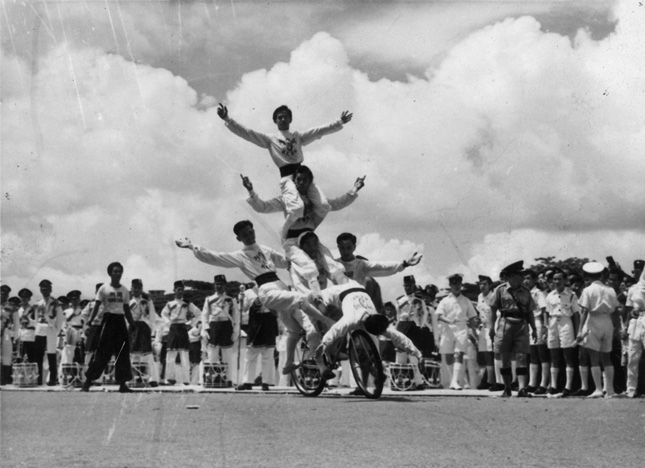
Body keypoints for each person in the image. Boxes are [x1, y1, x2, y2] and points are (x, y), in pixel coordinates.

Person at [175, 220, 333, 375]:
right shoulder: (241, 255)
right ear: (239, 238)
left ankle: (315, 366)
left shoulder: (265, 249)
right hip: (267, 291)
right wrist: (191, 246)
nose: (249, 236)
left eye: (251, 232)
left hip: (281, 286)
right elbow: (215, 257)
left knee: (304, 328)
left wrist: (305, 257)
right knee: (300, 300)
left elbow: (286, 263)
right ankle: (327, 321)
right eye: (245, 235)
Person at [217, 103, 353, 238]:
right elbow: (248, 133)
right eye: (280, 117)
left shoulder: (297, 136)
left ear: (290, 119)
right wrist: (228, 119)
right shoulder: (270, 139)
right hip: (288, 178)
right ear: (275, 121)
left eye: (285, 117)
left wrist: (339, 122)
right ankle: (285, 231)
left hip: (303, 176)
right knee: (297, 208)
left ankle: (309, 232)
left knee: (324, 206)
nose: (283, 119)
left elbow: (318, 131)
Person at [242, 166, 361, 294]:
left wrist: (355, 189)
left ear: (310, 182)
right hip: (292, 241)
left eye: (305, 180)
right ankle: (316, 296)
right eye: (298, 179)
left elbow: (337, 204)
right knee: (306, 267)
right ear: (294, 181)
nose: (301, 183)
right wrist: (251, 191)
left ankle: (348, 289)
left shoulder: (315, 200)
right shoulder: (287, 199)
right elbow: (263, 207)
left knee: (330, 262)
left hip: (310, 238)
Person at [314, 280, 423, 394]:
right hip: (338, 293)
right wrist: (323, 345)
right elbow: (335, 330)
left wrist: (418, 354)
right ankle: (326, 355)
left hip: (360, 291)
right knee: (324, 313)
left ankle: (367, 378)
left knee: (360, 351)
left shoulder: (375, 318)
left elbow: (399, 337)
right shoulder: (351, 319)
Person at [81, 262, 135, 393]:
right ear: (110, 273)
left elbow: (127, 309)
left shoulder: (125, 290)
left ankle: (122, 384)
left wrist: (132, 324)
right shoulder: (103, 289)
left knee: (122, 353)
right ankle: (88, 382)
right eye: (115, 271)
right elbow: (96, 306)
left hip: (120, 321)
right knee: (101, 353)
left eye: (119, 271)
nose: (117, 274)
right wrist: (89, 322)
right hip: (108, 321)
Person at [489, 261, 538, 397]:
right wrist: (491, 328)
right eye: (519, 275)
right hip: (505, 324)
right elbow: (493, 309)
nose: (522, 278)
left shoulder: (526, 291)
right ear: (511, 276)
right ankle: (507, 387)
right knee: (505, 357)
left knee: (521, 356)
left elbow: (530, 311)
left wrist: (534, 328)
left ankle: (522, 388)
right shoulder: (500, 290)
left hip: (521, 324)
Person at [577, 262, 621, 398]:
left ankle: (598, 389)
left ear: (587, 275)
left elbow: (584, 311)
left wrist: (580, 330)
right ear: (601, 275)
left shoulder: (588, 290)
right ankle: (610, 390)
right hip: (607, 322)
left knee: (594, 358)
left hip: (593, 321)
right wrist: (617, 328)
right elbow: (615, 311)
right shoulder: (610, 290)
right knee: (607, 357)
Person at [435, 274, 479, 390]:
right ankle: (453, 380)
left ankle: (455, 381)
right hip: (448, 328)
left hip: (462, 328)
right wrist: (448, 320)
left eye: (459, 284)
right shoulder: (444, 300)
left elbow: (472, 317)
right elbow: (439, 315)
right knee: (448, 356)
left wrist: (474, 331)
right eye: (454, 284)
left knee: (458, 354)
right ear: (450, 285)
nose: (457, 286)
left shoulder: (466, 300)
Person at [335, 232, 422, 287]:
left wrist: (405, 264)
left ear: (354, 247)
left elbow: (383, 267)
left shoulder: (361, 264)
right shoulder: (333, 264)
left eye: (349, 247)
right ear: (338, 247)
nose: (346, 251)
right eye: (342, 248)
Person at [544, 270, 580, 397]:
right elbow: (547, 313)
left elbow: (576, 314)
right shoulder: (550, 295)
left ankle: (568, 387)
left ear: (565, 281)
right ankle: (553, 386)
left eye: (559, 279)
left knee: (567, 355)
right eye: (554, 279)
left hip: (566, 322)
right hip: (553, 323)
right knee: (553, 355)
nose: (557, 282)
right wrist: (546, 328)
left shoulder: (571, 295)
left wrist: (577, 331)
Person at [160, 280, 200, 386]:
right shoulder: (170, 304)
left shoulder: (187, 303)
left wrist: (190, 324)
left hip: (183, 328)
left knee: (184, 355)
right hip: (173, 328)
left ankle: (186, 379)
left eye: (182, 290)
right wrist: (169, 324)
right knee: (170, 354)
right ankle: (169, 378)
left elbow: (198, 313)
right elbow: (163, 314)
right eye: (178, 289)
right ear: (174, 290)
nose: (180, 291)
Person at [201, 274, 238, 386]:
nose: (218, 286)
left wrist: (235, 331)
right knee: (212, 353)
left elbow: (236, 315)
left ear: (225, 285)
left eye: (221, 284)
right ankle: (211, 378)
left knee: (227, 354)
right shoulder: (209, 299)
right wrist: (205, 329)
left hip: (226, 324)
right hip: (214, 325)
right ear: (214, 285)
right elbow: (204, 315)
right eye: (217, 284)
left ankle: (229, 379)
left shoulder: (230, 299)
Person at [237, 298, 279, 391]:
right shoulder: (253, 295)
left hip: (269, 327)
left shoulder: (274, 297)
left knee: (267, 357)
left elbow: (277, 313)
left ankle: (266, 382)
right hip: (255, 327)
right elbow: (247, 309)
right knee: (250, 356)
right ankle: (247, 381)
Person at [394, 275, 427, 390]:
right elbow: (398, 316)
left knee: (413, 355)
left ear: (414, 285)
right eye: (406, 285)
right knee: (400, 353)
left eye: (410, 285)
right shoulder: (400, 300)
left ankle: (418, 381)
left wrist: (420, 326)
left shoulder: (419, 300)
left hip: (413, 326)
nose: (407, 288)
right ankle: (399, 380)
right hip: (402, 325)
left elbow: (424, 315)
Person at [523, 269, 551, 395]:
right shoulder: (526, 292)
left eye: (529, 278)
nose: (526, 280)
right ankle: (532, 383)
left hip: (538, 322)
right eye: (525, 278)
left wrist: (545, 326)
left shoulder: (538, 293)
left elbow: (544, 309)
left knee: (542, 354)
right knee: (533, 354)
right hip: (528, 323)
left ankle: (544, 384)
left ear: (535, 280)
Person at [129, 279, 160, 387]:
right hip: (132, 328)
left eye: (139, 288)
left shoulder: (147, 302)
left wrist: (152, 332)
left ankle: (153, 378)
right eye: (134, 287)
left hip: (144, 328)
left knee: (148, 354)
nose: (136, 290)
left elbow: (152, 317)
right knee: (131, 354)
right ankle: (129, 377)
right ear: (131, 289)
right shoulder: (128, 302)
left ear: (141, 289)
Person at [34, 279, 64, 386]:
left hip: (51, 330)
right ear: (40, 290)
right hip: (40, 330)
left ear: (50, 289)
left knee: (51, 354)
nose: (45, 291)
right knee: (39, 355)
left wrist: (56, 331)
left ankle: (52, 379)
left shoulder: (56, 303)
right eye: (43, 289)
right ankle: (38, 379)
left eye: (47, 289)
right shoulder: (38, 303)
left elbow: (60, 319)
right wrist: (36, 329)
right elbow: (36, 318)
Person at [476, 275, 500, 391]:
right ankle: (489, 380)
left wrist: (493, 328)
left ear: (490, 285)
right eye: (480, 284)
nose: (482, 286)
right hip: (483, 327)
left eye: (484, 284)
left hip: (493, 326)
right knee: (486, 355)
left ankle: (495, 381)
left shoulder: (494, 296)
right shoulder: (480, 296)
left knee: (493, 355)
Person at [625, 265, 645, 398]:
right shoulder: (634, 288)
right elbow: (629, 309)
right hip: (637, 322)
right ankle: (631, 389)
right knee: (632, 358)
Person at [80, 283, 105, 368]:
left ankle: (99, 378)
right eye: (98, 291)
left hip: (103, 328)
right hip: (93, 328)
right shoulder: (91, 304)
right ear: (95, 292)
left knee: (102, 352)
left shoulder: (108, 304)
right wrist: (86, 327)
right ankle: (87, 374)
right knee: (89, 352)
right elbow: (83, 315)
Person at [1, 296, 20, 385]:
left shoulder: (14, 311)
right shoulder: (1, 308)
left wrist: (15, 338)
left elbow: (16, 325)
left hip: (7, 333)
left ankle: (5, 378)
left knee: (7, 355)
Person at [17, 288, 37, 364]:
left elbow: (37, 323)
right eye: (22, 297)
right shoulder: (18, 310)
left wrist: (29, 321)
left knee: (31, 360)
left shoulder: (33, 310)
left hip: (31, 337)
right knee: (19, 360)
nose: (24, 299)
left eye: (26, 297)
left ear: (29, 298)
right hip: (21, 337)